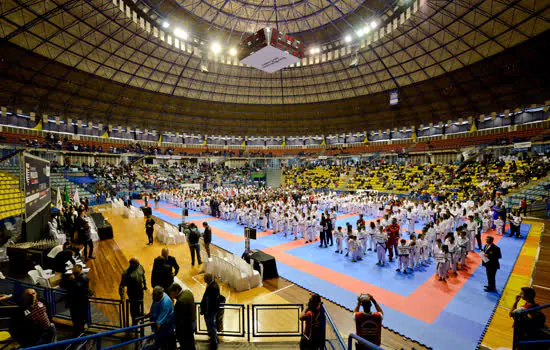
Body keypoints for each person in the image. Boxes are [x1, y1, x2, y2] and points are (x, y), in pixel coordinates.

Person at [119, 257, 147, 324]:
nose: (138, 264)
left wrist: (145, 284)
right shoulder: (126, 273)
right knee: (133, 307)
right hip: (132, 292)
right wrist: (122, 297)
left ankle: (139, 315)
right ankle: (134, 321)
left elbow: (143, 275)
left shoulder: (140, 266)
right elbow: (121, 286)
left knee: (139, 303)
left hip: (140, 290)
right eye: (137, 264)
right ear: (132, 264)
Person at [168, 283, 196, 350]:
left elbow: (178, 317)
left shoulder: (180, 302)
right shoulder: (188, 292)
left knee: (185, 345)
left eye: (172, 293)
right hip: (193, 322)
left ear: (177, 290)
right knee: (191, 344)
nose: (171, 296)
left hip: (185, 328)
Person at [66, 265, 91, 336]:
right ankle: (76, 331)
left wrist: (73, 280)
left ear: (80, 269)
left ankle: (80, 332)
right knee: (74, 317)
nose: (73, 272)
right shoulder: (75, 276)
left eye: (75, 271)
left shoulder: (85, 277)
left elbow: (79, 287)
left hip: (80, 302)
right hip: (74, 301)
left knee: (80, 318)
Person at [200, 273, 221, 350]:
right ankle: (215, 340)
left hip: (210, 311)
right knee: (211, 326)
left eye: (205, 279)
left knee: (211, 326)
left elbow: (210, 302)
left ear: (208, 280)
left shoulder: (213, 287)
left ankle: (214, 343)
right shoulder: (213, 284)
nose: (204, 281)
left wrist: (206, 311)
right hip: (210, 311)